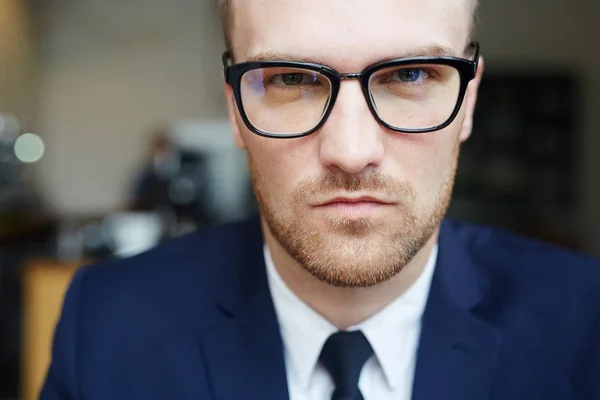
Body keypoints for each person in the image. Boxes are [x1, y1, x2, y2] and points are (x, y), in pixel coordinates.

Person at [41, 0, 600, 399]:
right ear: (235, 108)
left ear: (468, 100)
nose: (351, 152)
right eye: (289, 79)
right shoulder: (111, 327)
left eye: (409, 73)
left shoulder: (584, 325)